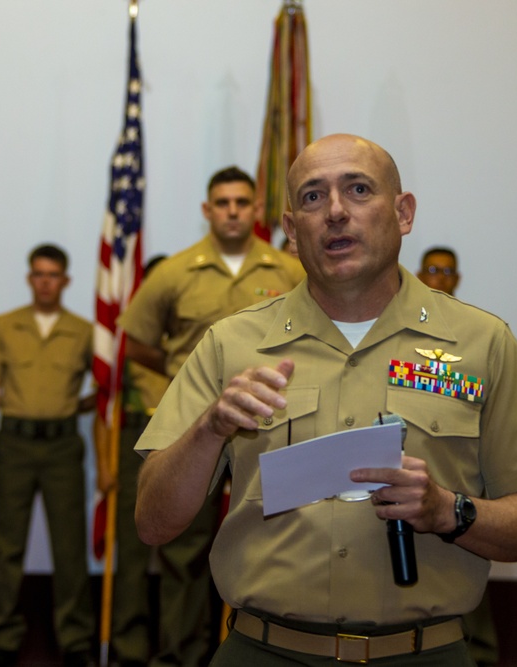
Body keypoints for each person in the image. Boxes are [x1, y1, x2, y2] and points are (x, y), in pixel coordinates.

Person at [134, 134, 517, 666]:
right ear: (291, 232)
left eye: (359, 189)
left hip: (423, 653)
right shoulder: (230, 345)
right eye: (313, 197)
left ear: (404, 212)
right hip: (262, 650)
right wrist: (208, 429)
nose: (336, 212)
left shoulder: (481, 343)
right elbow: (154, 523)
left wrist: (448, 511)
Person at [118, 167, 305, 667]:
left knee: (271, 536)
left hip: (272, 429)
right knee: (183, 553)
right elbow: (136, 343)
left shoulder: (289, 271)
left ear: (255, 209)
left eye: (242, 202)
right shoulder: (174, 272)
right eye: (221, 202)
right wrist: (184, 384)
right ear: (207, 209)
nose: (232, 211)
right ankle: (180, 655)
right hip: (198, 431)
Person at [0, 244, 98, 667]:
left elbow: (104, 388)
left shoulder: (84, 332)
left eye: (53, 274)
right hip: (15, 445)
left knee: (69, 548)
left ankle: (75, 641)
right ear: (29, 278)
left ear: (66, 280)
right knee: (7, 546)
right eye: (38, 274)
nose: (45, 281)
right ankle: (2, 639)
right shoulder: (4, 327)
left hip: (62, 447)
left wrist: (78, 407)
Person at [416, 246, 498, 666]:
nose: (440, 278)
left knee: (467, 594)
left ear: (458, 279)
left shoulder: (475, 339)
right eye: (432, 269)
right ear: (418, 273)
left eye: (447, 272)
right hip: (411, 496)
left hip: (461, 494)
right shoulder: (405, 336)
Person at [94, 255, 170, 667]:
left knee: (183, 556)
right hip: (136, 438)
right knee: (133, 550)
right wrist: (106, 465)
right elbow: (106, 404)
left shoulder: (190, 334)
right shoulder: (126, 343)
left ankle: (179, 649)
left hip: (182, 439)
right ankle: (128, 647)